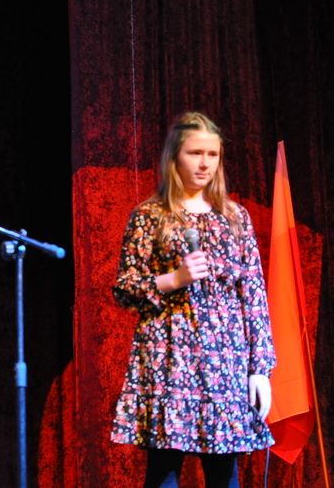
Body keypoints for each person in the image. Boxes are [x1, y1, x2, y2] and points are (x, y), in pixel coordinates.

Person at [110, 112, 275, 487]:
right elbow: (125, 288)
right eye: (195, 153)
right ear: (175, 156)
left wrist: (260, 369)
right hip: (169, 355)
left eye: (212, 154)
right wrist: (174, 279)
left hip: (225, 360)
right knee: (164, 469)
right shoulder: (150, 215)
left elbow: (253, 295)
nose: (204, 164)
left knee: (223, 471)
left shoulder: (234, 217)